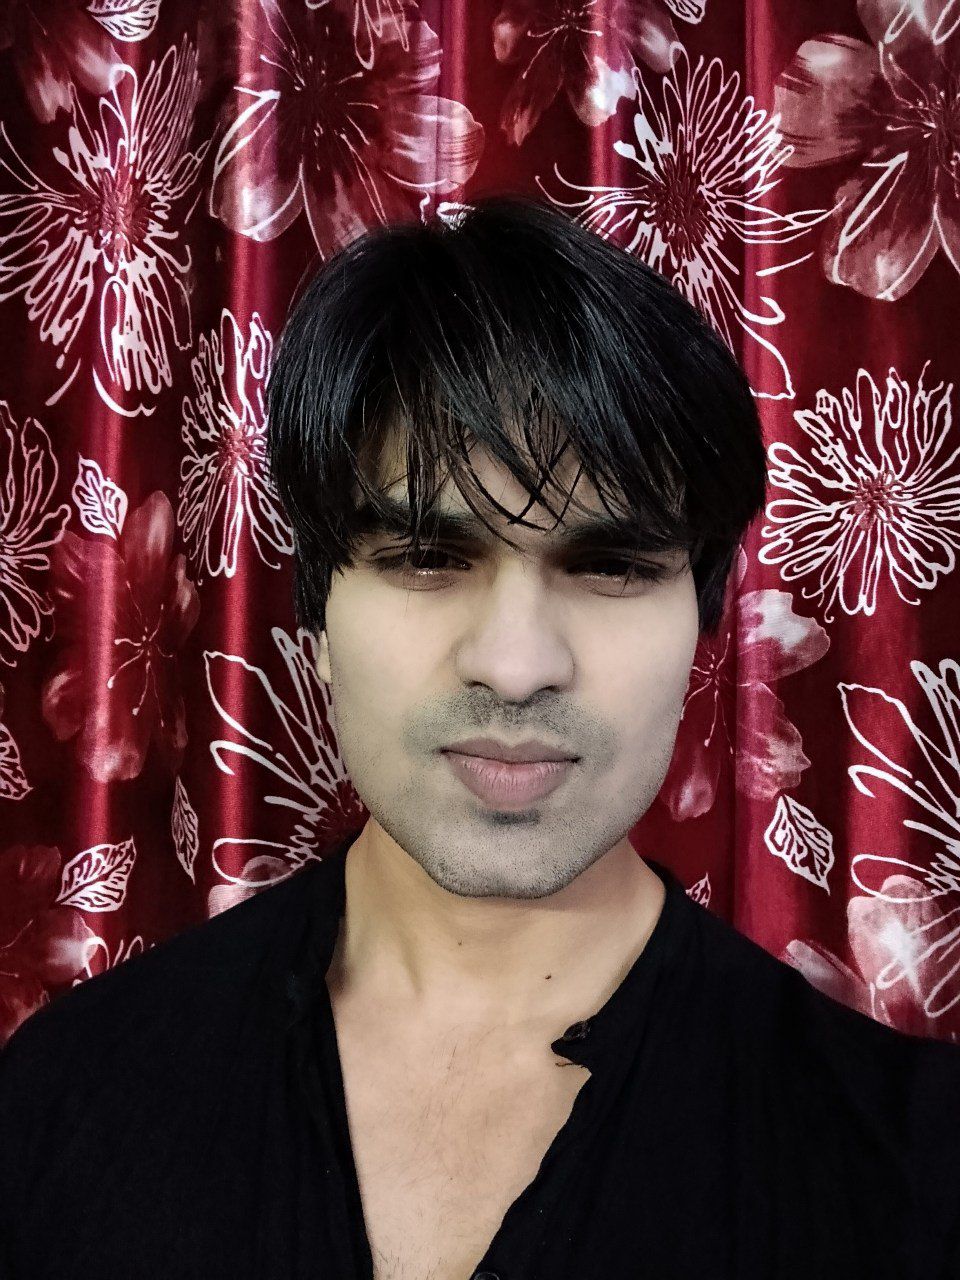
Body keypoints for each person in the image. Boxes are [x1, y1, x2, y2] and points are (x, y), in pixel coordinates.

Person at [1, 195, 958, 1280]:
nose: (513, 664)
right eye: (426, 556)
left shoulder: (914, 1175)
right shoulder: (67, 1099)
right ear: (317, 619)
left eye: (610, 565)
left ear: (700, 627)